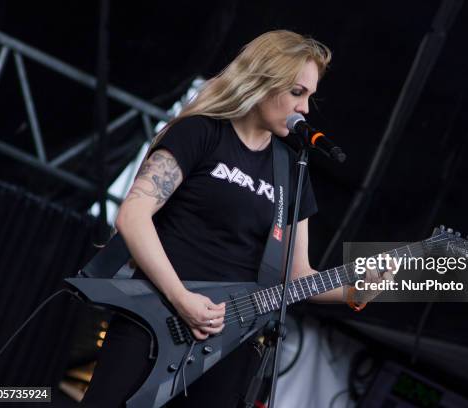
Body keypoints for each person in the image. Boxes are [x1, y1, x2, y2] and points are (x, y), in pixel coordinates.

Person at [81, 30, 388, 407]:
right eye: (297, 92)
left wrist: (355, 291)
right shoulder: (201, 133)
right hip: (156, 324)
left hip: (229, 345)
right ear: (262, 81)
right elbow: (132, 217)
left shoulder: (291, 170)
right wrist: (181, 298)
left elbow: (297, 275)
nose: (306, 108)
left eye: (309, 95)